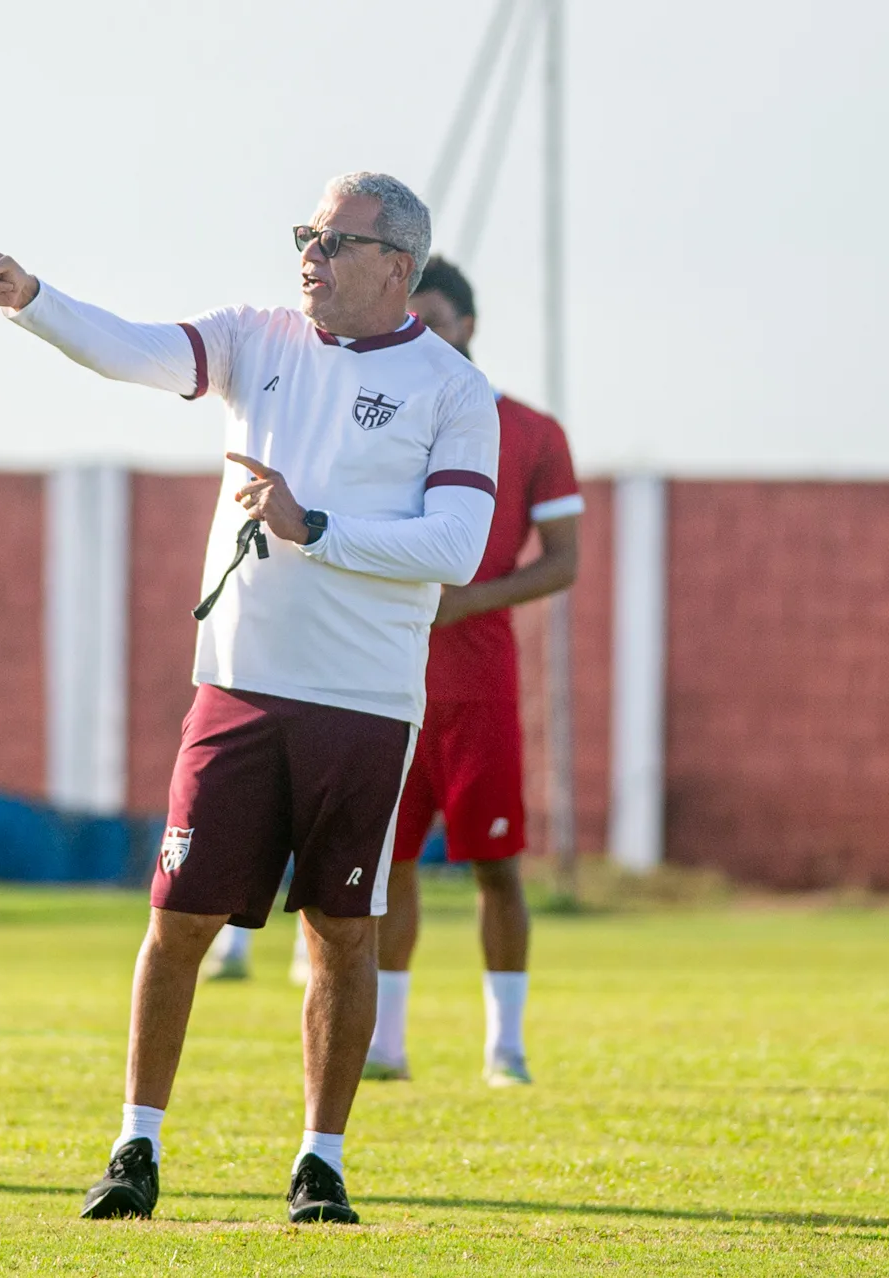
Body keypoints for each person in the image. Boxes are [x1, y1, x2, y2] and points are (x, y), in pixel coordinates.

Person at [0, 173, 498, 1225]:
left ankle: (320, 1164)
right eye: (307, 234)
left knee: (342, 930)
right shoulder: (259, 338)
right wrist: (31, 298)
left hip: (366, 702)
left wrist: (315, 524)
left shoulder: (453, 391)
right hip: (238, 686)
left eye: (337, 241)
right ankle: (134, 1148)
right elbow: (133, 348)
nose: (311, 255)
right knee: (178, 917)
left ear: (399, 267)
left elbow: (457, 546)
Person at [362, 257, 582, 1088]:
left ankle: (506, 1047)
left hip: (480, 685)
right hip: (384, 671)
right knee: (384, 862)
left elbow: (563, 562)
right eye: (409, 322)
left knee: (496, 864)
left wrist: (468, 600)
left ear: (468, 326)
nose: (427, 337)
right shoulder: (379, 420)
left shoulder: (531, 431)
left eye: (438, 320)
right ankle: (385, 1043)